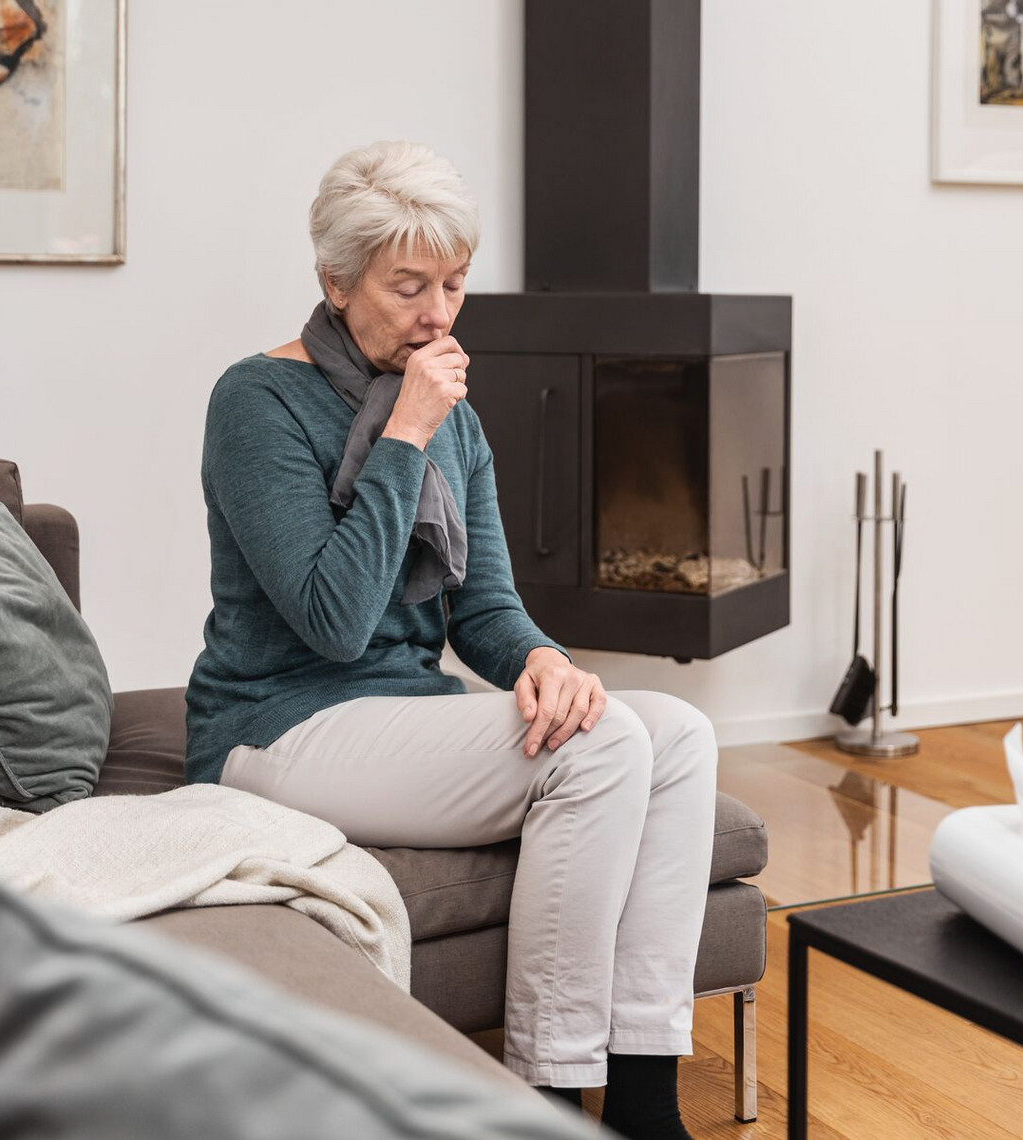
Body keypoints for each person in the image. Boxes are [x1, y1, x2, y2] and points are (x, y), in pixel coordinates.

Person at [185, 140, 717, 1140]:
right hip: (275, 726)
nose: (438, 315)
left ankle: (647, 1100)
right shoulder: (255, 402)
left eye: (456, 285)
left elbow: (484, 612)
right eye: (409, 286)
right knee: (602, 750)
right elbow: (333, 621)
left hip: (401, 716)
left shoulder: (446, 419)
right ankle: (551, 1099)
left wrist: (544, 661)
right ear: (336, 280)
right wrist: (405, 435)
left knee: (677, 732)